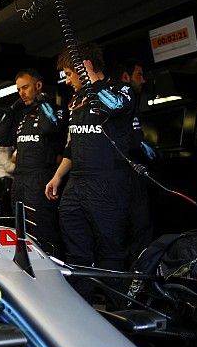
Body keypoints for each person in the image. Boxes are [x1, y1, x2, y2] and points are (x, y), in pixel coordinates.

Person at [45, 43, 133, 302]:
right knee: (76, 250)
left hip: (107, 183)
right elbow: (74, 144)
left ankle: (118, 313)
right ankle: (81, 307)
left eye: (70, 74)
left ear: (85, 67)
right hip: (76, 184)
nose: (68, 80)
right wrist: (58, 176)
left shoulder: (120, 91)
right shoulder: (77, 101)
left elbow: (115, 105)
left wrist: (90, 84)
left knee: (111, 251)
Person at [0, 68, 66, 255]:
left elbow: (49, 127)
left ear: (38, 85)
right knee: (20, 230)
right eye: (18, 89)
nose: (22, 93)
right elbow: (1, 138)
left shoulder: (56, 111)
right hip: (19, 181)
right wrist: (13, 108)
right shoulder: (22, 115)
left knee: (43, 232)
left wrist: (42, 100)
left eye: (25, 87)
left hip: (41, 179)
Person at [116, 58, 155, 262]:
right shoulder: (120, 103)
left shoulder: (132, 104)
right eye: (139, 75)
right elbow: (132, 143)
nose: (143, 80)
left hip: (131, 178)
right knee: (137, 229)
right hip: (125, 179)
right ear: (125, 77)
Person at [0, 140, 15, 217]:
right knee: (5, 215)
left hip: (4, 181)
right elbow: (8, 167)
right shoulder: (1, 144)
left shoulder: (7, 143)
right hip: (3, 182)